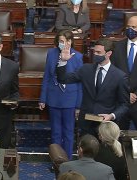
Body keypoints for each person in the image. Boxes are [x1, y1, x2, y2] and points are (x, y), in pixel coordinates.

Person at [56, 38, 129, 136]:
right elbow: (63, 79)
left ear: (108, 54)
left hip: (106, 126)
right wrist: (63, 62)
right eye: (95, 52)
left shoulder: (120, 76)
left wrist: (112, 116)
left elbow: (124, 104)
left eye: (99, 52)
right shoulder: (86, 69)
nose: (95, 55)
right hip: (86, 124)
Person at [39, 30, 83, 160]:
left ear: (72, 41)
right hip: (54, 97)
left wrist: (79, 105)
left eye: (68, 41)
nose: (65, 44)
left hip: (70, 99)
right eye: (62, 41)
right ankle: (57, 160)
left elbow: (80, 82)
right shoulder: (51, 53)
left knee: (68, 133)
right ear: (57, 42)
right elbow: (47, 76)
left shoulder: (78, 56)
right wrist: (43, 98)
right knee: (56, 132)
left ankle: (67, 160)